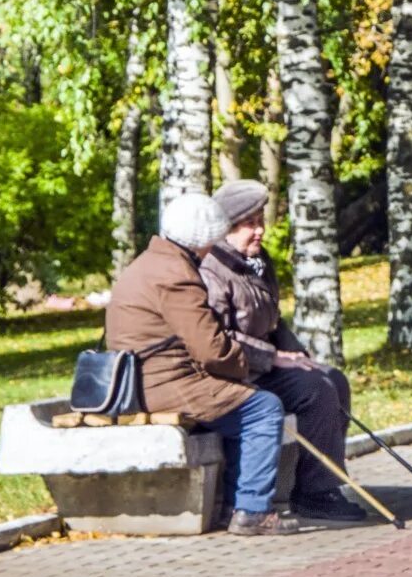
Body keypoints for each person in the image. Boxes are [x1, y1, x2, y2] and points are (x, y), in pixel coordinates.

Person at [106, 193, 299, 537]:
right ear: (202, 238)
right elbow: (211, 349)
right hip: (166, 384)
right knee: (264, 409)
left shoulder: (149, 262)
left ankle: (231, 507)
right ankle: (252, 510)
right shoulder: (177, 275)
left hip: (143, 378)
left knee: (244, 404)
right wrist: (245, 369)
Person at [201, 179, 366, 522]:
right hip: (236, 371)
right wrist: (271, 357)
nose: (260, 231)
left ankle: (323, 481)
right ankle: (315, 493)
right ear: (226, 229)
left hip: (264, 366)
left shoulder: (258, 263)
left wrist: (298, 356)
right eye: (250, 224)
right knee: (315, 391)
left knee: (332, 378)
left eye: (261, 221)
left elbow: (272, 321)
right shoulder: (212, 271)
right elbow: (219, 336)